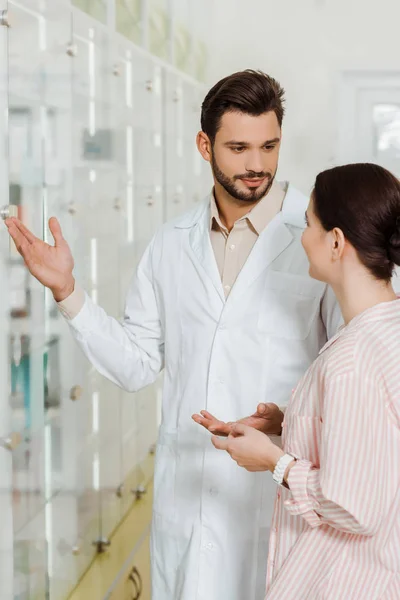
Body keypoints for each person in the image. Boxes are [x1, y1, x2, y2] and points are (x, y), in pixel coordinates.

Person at [4, 70, 341, 600]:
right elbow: (137, 364)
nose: (257, 165)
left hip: (278, 501)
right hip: (190, 499)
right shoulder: (170, 244)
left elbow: (350, 376)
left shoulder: (319, 238)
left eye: (269, 146)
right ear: (204, 145)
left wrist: (291, 425)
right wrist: (69, 292)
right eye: (238, 147)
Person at [207, 163, 400, 599]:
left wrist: (273, 462)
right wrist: (290, 422)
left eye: (309, 224)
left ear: (335, 242)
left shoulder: (351, 359)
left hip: (347, 581)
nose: (301, 237)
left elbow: (355, 505)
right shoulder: (389, 326)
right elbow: (379, 446)